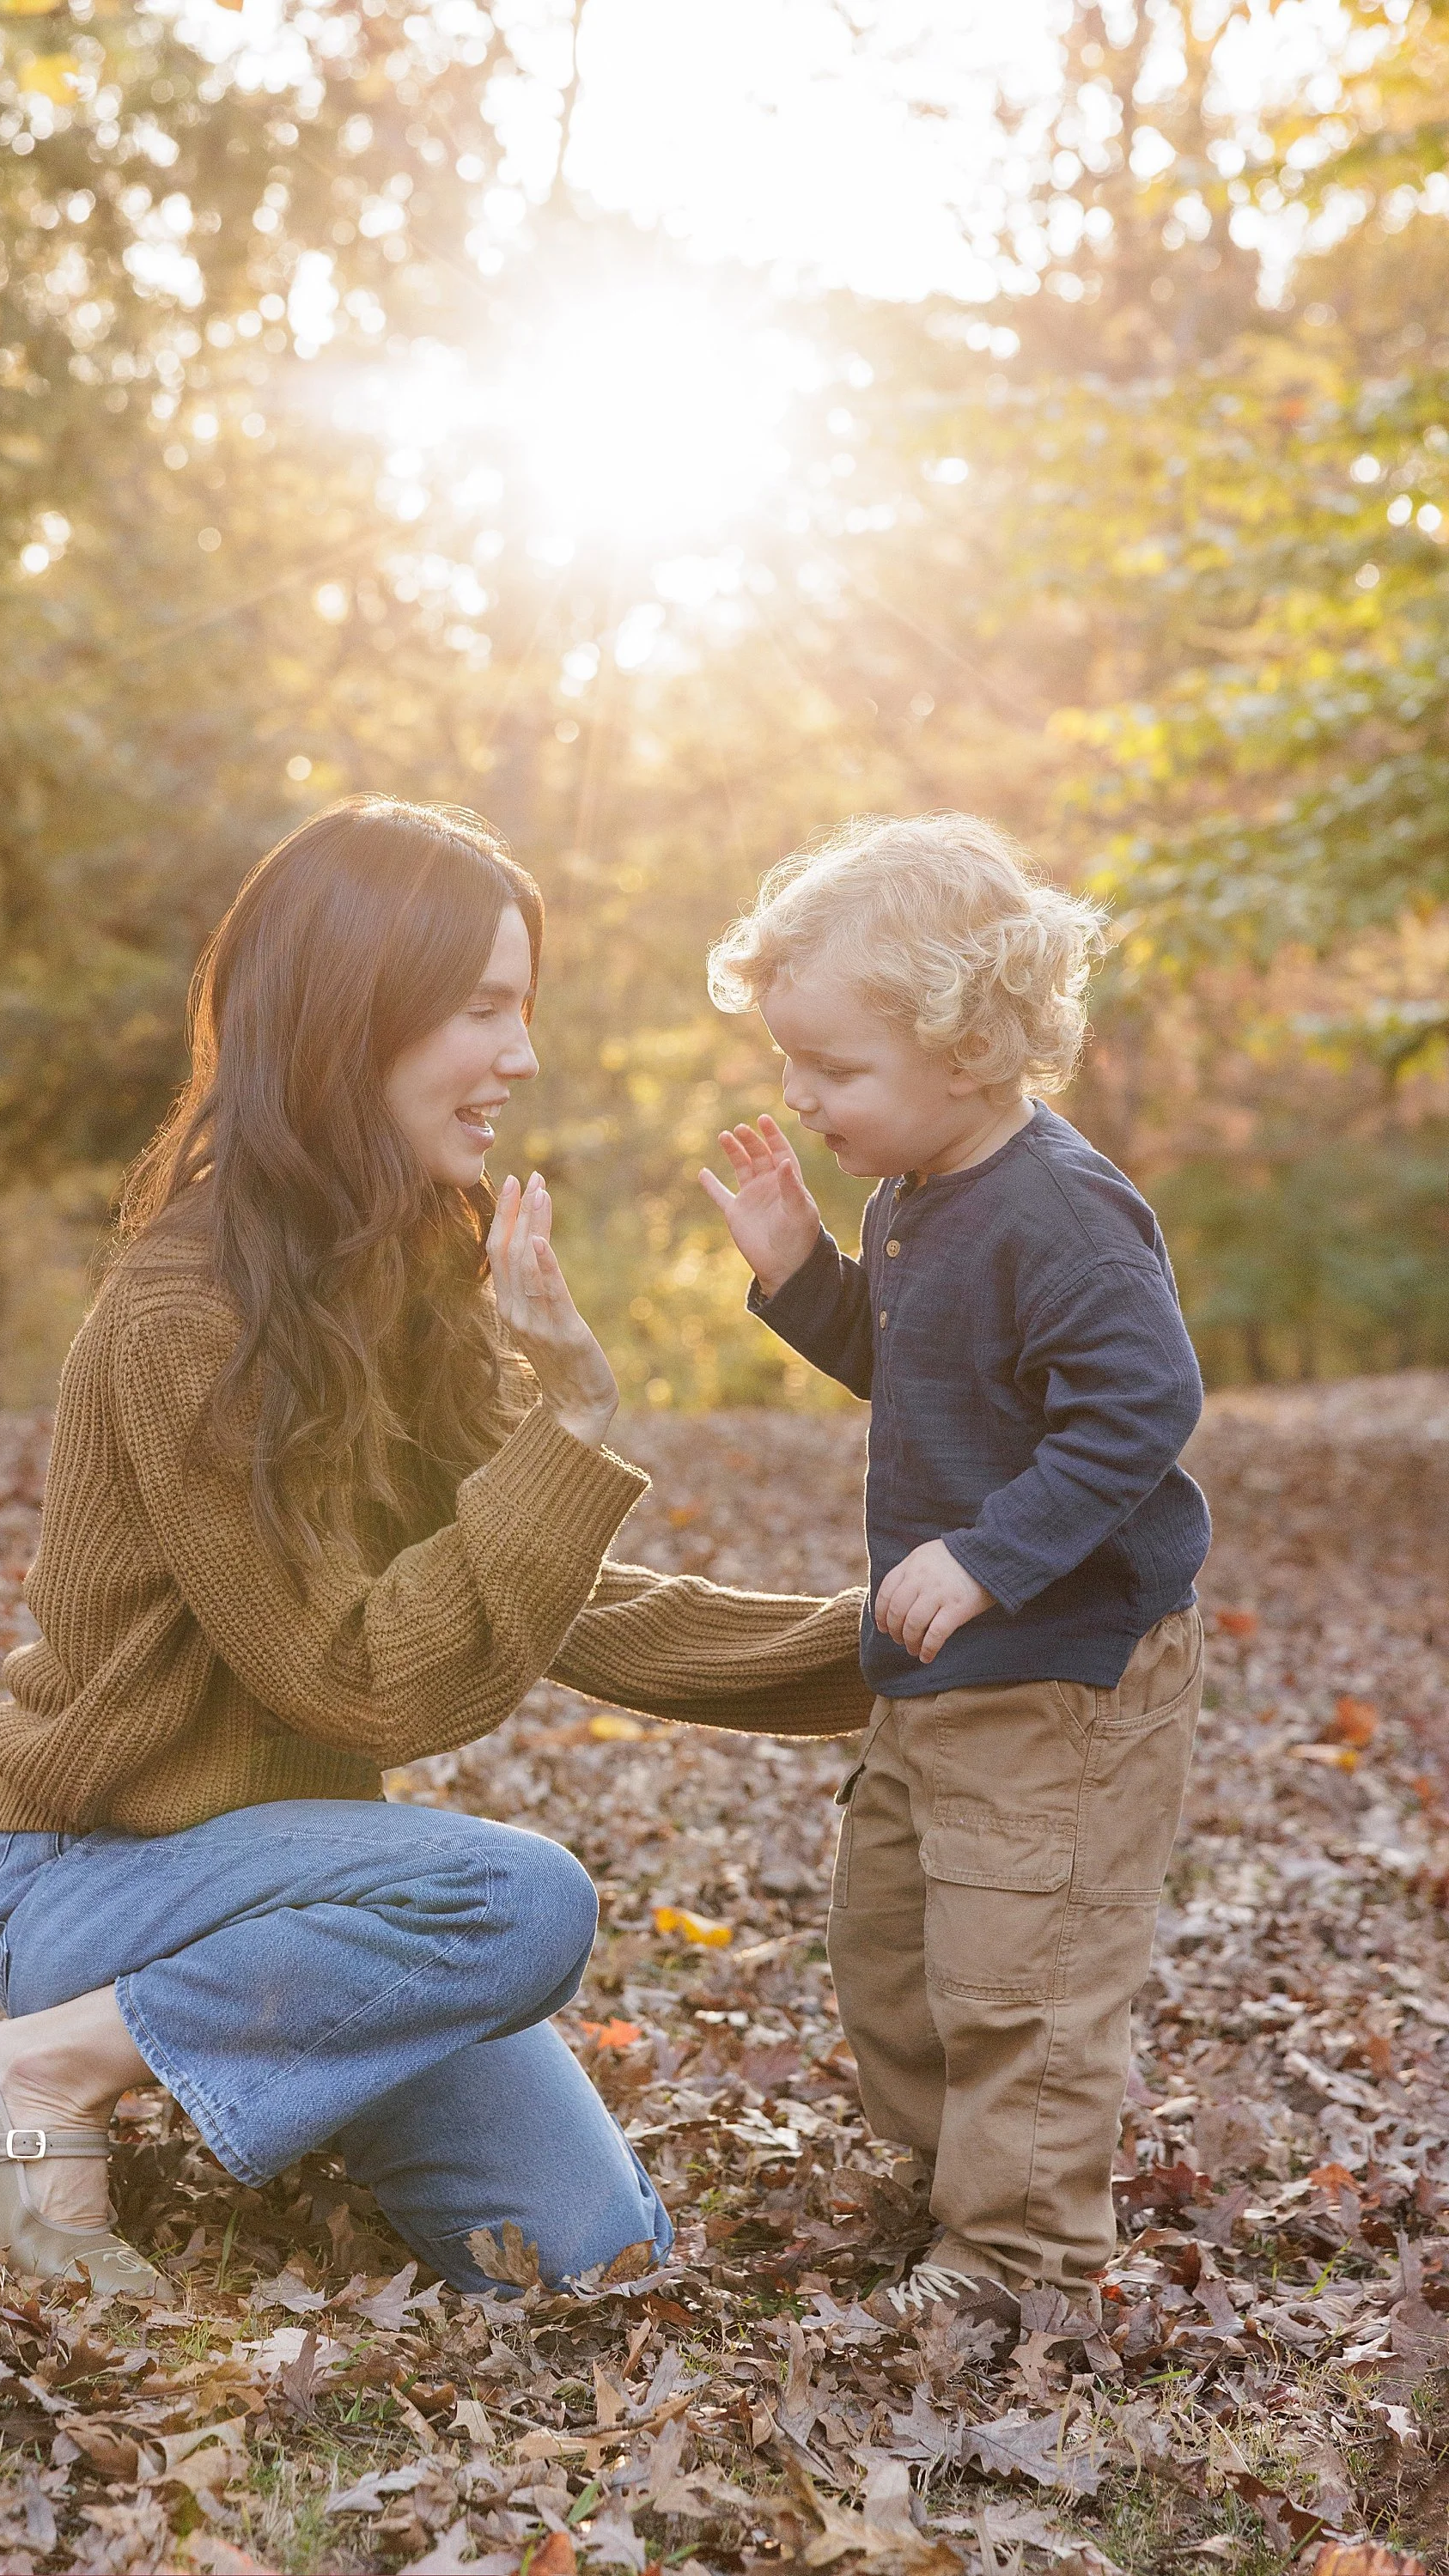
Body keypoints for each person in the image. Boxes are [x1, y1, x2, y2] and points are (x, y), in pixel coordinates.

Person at [0, 796, 873, 2299]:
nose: (522, 1056)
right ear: (354, 1013)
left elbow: (561, 1591)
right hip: (101, 1877)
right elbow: (349, 1678)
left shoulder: (412, 1266)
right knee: (521, 1902)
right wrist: (573, 1424)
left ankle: (255, 2064)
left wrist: (889, 1651)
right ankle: (47, 2063)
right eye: (484, 1007)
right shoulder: (181, 1315)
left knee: (592, 2257)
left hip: (316, 1900)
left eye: (523, 1007)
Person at [698, 811, 1211, 2319]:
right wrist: (804, 1275)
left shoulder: (1060, 1207)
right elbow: (923, 1376)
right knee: (893, 1946)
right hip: (946, 1661)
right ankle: (958, 2182)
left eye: (835, 1068)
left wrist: (990, 1555)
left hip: (1064, 1666)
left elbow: (1142, 1406)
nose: (802, 1095)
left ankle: (1018, 2255)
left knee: (1019, 1970)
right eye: (791, 1060)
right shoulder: (917, 1193)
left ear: (971, 1047)